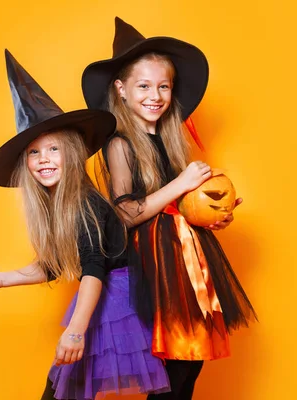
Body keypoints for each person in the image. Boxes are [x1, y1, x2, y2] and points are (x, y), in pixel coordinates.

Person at [0, 49, 170, 400]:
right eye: (34, 153)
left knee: (64, 389)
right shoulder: (58, 203)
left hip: (114, 297)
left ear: (72, 154)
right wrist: (2, 279)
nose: (43, 160)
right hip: (100, 296)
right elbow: (54, 266)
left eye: (53, 150)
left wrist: (77, 330)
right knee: (66, 389)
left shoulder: (83, 202)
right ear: (25, 164)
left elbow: (94, 268)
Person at [82, 17, 258, 400]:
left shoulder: (169, 140)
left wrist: (211, 213)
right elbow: (126, 213)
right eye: (143, 86)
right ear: (121, 90)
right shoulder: (120, 145)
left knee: (189, 365)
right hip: (152, 269)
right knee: (169, 368)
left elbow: (178, 207)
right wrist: (180, 185)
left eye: (164, 86)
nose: (155, 95)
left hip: (183, 261)